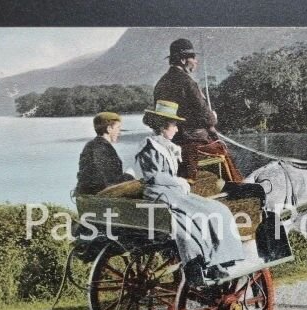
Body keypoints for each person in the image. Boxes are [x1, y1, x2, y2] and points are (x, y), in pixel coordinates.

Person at [137, 100, 244, 276]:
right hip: (160, 195)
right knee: (198, 217)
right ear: (163, 126)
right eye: (174, 125)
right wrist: (178, 181)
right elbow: (153, 176)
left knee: (219, 209)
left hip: (173, 193)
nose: (177, 129)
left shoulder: (166, 146)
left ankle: (220, 258)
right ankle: (203, 262)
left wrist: (178, 182)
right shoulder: (150, 146)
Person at [152, 38, 242, 182]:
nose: (196, 61)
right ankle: (237, 189)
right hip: (192, 141)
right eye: (192, 57)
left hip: (169, 139)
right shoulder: (188, 83)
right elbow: (207, 118)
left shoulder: (160, 83)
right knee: (223, 151)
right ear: (182, 60)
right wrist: (213, 117)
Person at [75, 112, 134, 195]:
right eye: (118, 128)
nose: (119, 132)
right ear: (109, 128)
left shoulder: (90, 145)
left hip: (85, 192)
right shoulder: (105, 148)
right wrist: (129, 176)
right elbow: (110, 182)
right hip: (101, 194)